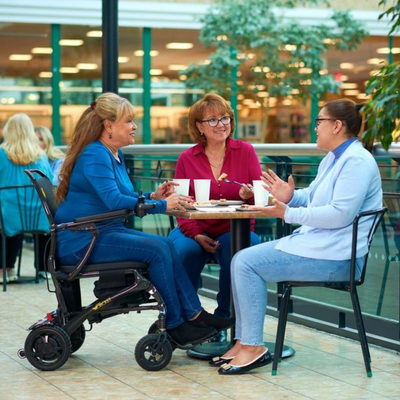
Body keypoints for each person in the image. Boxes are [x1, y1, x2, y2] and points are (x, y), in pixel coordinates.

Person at [214, 98, 382, 375]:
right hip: (321, 248)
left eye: (319, 122)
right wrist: (290, 196)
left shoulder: (357, 162)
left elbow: (339, 214)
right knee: (240, 259)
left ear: (337, 125)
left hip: (338, 259)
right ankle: (244, 341)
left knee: (245, 262)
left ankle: (253, 345)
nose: (315, 128)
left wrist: (287, 213)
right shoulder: (335, 158)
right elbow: (314, 197)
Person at [54, 92, 234, 347]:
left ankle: (194, 315)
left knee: (166, 245)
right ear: (108, 126)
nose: (134, 126)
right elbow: (114, 200)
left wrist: (152, 195)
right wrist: (161, 205)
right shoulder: (95, 154)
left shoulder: (112, 153)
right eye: (128, 121)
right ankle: (177, 324)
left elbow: (123, 195)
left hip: (101, 233)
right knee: (160, 248)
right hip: (84, 241)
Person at [168, 93, 262, 340]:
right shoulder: (186, 158)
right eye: (212, 120)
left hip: (234, 228)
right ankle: (188, 318)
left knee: (240, 249)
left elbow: (258, 198)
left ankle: (223, 319)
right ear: (198, 126)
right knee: (181, 252)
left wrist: (248, 195)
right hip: (194, 227)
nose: (221, 124)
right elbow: (178, 203)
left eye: (225, 118)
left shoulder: (246, 151)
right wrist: (195, 233)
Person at [0, 114, 53, 283]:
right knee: (41, 215)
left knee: (7, 213)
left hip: (10, 215)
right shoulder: (41, 154)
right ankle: (44, 268)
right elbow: (49, 181)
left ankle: (5, 268)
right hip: (38, 215)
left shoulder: (1, 153)